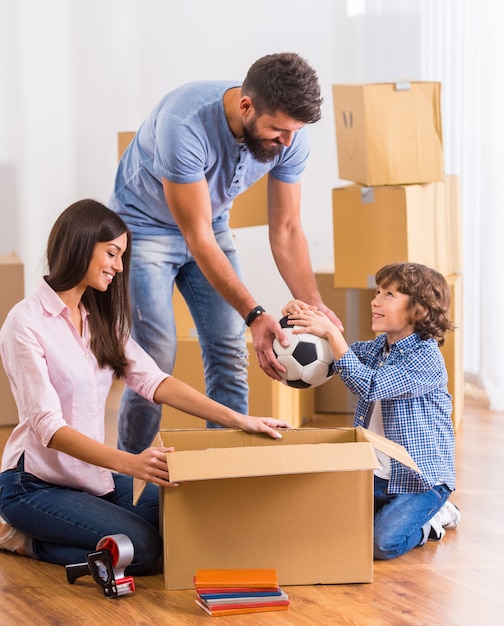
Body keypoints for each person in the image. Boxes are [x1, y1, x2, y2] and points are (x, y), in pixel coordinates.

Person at [0, 199, 290, 573]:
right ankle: (24, 539)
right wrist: (132, 464)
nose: (120, 267)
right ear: (80, 244)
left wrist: (239, 419)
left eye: (123, 255)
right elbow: (48, 428)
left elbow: (155, 381)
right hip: (33, 485)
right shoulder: (25, 323)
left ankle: (58, 532)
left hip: (89, 477)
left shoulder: (98, 319)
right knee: (143, 549)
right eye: (112, 253)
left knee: (181, 520)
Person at [109, 51, 343, 454]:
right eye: (277, 131)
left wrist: (315, 307)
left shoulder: (289, 137)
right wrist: (255, 314)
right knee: (156, 357)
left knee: (230, 351)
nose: (287, 142)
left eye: (294, 132)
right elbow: (196, 237)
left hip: (210, 224)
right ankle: (125, 473)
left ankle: (224, 472)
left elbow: (285, 229)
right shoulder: (184, 124)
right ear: (246, 107)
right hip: (144, 231)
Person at [281, 262, 461, 560]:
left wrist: (333, 336)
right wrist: (302, 319)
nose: (374, 300)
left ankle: (435, 518)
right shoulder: (378, 348)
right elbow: (338, 359)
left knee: (381, 543)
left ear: (418, 310)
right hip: (377, 472)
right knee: (326, 524)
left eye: (388, 294)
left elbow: (369, 385)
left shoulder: (427, 359)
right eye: (377, 291)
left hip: (420, 480)